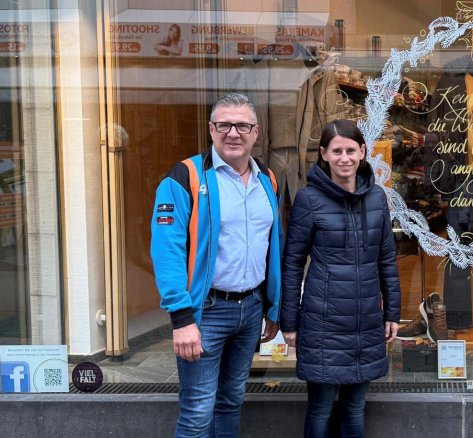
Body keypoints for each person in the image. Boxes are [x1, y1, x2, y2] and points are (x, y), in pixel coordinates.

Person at [150, 92, 282, 437]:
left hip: (251, 309)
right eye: (224, 124)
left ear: (256, 131)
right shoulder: (185, 177)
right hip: (205, 312)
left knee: (231, 401)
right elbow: (167, 251)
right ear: (211, 129)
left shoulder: (268, 180)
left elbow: (271, 248)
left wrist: (273, 305)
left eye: (242, 125)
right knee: (197, 411)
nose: (233, 132)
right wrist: (181, 319)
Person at [281, 119, 401, 438]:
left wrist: (393, 313)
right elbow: (292, 262)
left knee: (355, 408)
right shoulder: (309, 199)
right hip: (323, 322)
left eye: (350, 150)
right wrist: (289, 322)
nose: (344, 158)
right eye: (336, 151)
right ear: (323, 154)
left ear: (363, 152)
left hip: (366, 321)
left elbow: (387, 259)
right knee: (320, 408)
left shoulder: (377, 198)